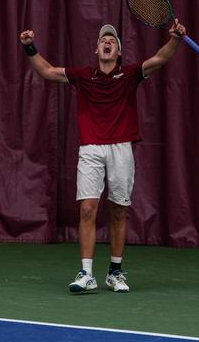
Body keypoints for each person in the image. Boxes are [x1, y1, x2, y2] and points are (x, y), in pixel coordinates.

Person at [19, 19, 187, 293]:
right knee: (87, 209)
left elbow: (159, 59)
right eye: (102, 41)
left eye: (112, 41)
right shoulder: (83, 75)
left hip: (121, 148)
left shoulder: (131, 73)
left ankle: (115, 272)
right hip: (91, 149)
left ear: (118, 52)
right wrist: (29, 47)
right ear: (96, 50)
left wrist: (176, 39)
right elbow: (48, 71)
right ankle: (86, 274)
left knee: (119, 211)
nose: (107, 42)